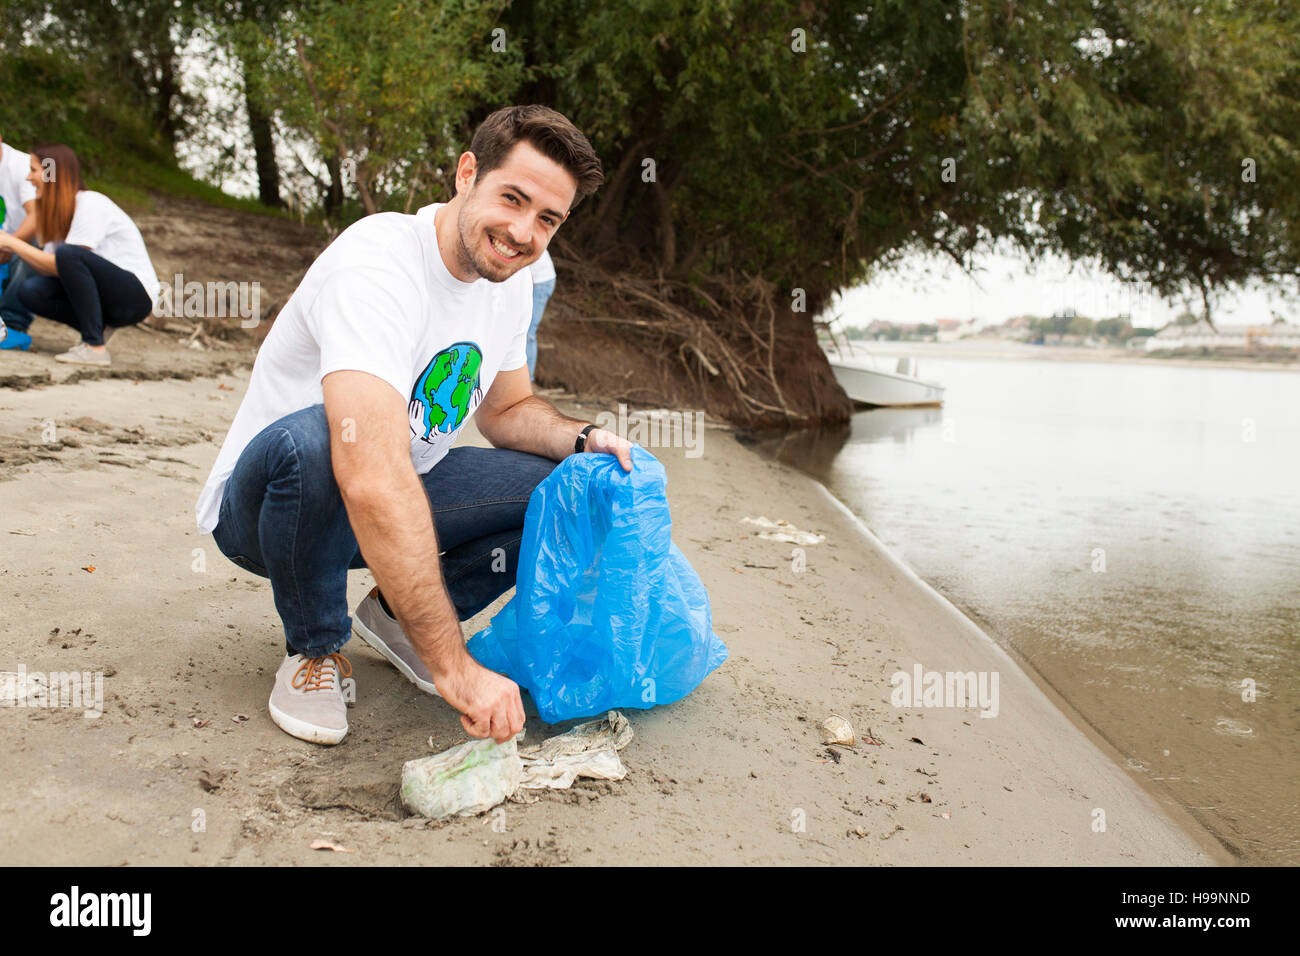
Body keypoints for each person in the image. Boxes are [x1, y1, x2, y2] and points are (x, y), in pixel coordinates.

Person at [196, 104, 627, 747]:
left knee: (574, 485)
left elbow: (507, 412)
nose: (521, 232)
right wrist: (457, 671)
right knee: (320, 440)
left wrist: (586, 441)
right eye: (512, 199)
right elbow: (367, 469)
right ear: (466, 173)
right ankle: (315, 651)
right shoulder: (379, 261)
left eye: (547, 219)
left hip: (391, 497)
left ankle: (400, 615)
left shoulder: (508, 280)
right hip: (271, 511)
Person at [0, 144, 160, 365]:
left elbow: (65, 260)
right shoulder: (56, 218)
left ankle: (94, 348)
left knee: (68, 254)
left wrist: (13, 242)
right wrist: (11, 249)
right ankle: (99, 328)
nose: (28, 178)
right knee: (31, 290)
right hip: (106, 299)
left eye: (34, 170)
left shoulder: (90, 203)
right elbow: (49, 267)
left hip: (135, 297)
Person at [0, 132, 38, 350]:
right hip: (7, 236)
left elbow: (39, 218)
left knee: (30, 246)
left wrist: (11, 243)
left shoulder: (23, 166)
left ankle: (13, 323)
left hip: (36, 241)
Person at [525, 247, 556, 378]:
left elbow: (528, 279)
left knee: (528, 332)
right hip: (535, 280)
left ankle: (528, 380)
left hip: (541, 282)